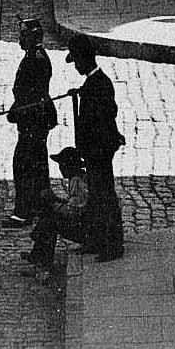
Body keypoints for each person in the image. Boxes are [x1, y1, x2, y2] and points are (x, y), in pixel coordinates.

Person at [66, 39, 125, 260]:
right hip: (95, 151)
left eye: (76, 62)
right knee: (96, 197)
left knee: (104, 196)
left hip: (99, 151)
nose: (76, 67)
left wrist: (89, 147)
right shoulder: (94, 83)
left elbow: (103, 117)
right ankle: (97, 239)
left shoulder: (98, 84)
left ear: (83, 60)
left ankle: (112, 245)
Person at [4, 18, 57, 227]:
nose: (19, 40)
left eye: (23, 36)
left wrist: (16, 111)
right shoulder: (35, 56)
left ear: (33, 37)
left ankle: (24, 212)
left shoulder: (35, 59)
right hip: (35, 118)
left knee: (24, 164)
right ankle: (38, 205)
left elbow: (30, 94)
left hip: (33, 118)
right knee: (36, 163)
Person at [22, 147, 97, 277]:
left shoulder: (77, 182)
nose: (61, 169)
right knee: (49, 217)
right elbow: (72, 204)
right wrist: (56, 201)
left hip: (86, 231)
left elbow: (73, 211)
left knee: (50, 221)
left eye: (62, 166)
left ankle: (42, 262)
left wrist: (52, 203)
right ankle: (38, 253)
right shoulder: (78, 178)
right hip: (87, 226)